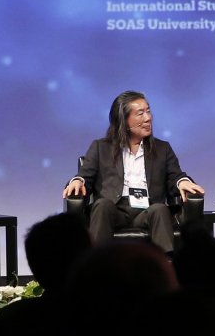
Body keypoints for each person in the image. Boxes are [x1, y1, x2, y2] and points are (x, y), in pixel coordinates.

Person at [63, 90, 203, 251]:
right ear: (124, 120)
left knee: (160, 209)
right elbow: (85, 176)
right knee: (101, 205)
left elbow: (175, 176)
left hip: (148, 209)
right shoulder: (100, 147)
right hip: (114, 209)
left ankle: (164, 267)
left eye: (148, 111)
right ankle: (98, 266)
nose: (148, 118)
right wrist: (77, 181)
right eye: (140, 113)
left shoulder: (162, 149)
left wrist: (182, 182)